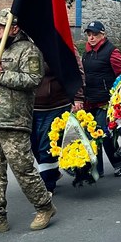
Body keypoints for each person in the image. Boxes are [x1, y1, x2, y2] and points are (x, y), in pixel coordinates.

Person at [0, 11, 57, 234]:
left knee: (23, 169)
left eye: (1, 25)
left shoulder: (28, 51)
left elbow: (33, 80)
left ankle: (44, 206)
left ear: (15, 28)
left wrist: (3, 76)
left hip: (13, 121)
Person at [80, 21, 121, 178]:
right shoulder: (86, 54)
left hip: (105, 101)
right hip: (89, 101)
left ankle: (118, 161)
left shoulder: (112, 51)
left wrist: (119, 96)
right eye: (89, 35)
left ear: (103, 35)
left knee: (102, 133)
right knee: (90, 135)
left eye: (95, 34)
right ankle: (97, 168)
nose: (91, 38)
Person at [35, 50, 84, 194]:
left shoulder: (59, 43)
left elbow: (77, 71)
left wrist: (78, 96)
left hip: (56, 104)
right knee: (35, 146)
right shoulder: (27, 44)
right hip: (32, 106)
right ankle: (53, 172)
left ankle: (47, 185)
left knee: (46, 146)